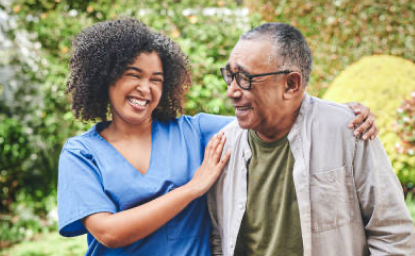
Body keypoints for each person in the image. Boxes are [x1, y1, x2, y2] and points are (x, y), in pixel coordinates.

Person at [58, 19, 378, 256]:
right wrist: (192, 188)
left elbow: (270, 113)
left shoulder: (195, 131)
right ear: (105, 78)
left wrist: (343, 113)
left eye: (156, 79)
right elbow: (109, 232)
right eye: (133, 75)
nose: (146, 88)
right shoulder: (82, 153)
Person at [208, 22, 415, 256]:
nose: (232, 91)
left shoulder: (350, 131)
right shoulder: (224, 144)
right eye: (230, 75)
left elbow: (394, 234)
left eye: (245, 78)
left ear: (291, 84)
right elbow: (219, 237)